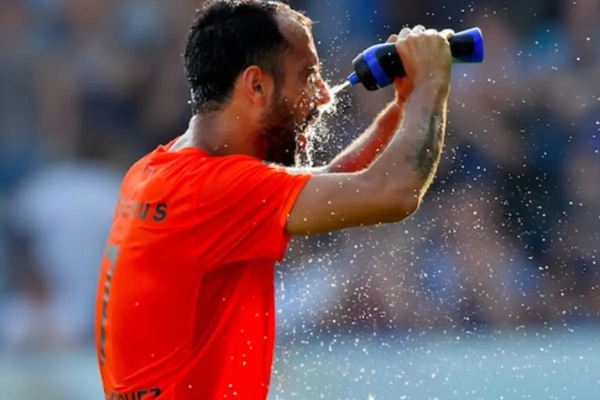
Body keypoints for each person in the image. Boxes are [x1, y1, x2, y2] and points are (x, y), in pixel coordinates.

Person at [94, 0, 453, 398]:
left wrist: (403, 107)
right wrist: (431, 86)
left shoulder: (159, 171)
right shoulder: (214, 189)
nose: (324, 96)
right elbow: (395, 192)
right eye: (308, 75)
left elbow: (331, 181)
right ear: (257, 86)